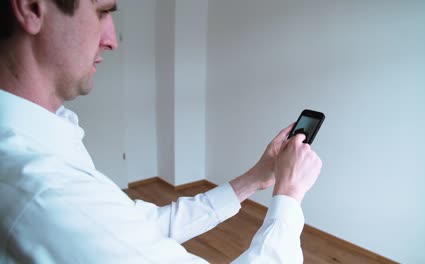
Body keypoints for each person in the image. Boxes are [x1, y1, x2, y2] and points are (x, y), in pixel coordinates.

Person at [0, 0, 322, 263]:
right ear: (31, 7)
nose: (112, 39)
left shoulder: (35, 145)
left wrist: (254, 178)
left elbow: (139, 228)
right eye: (101, 11)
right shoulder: (47, 188)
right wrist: (289, 197)